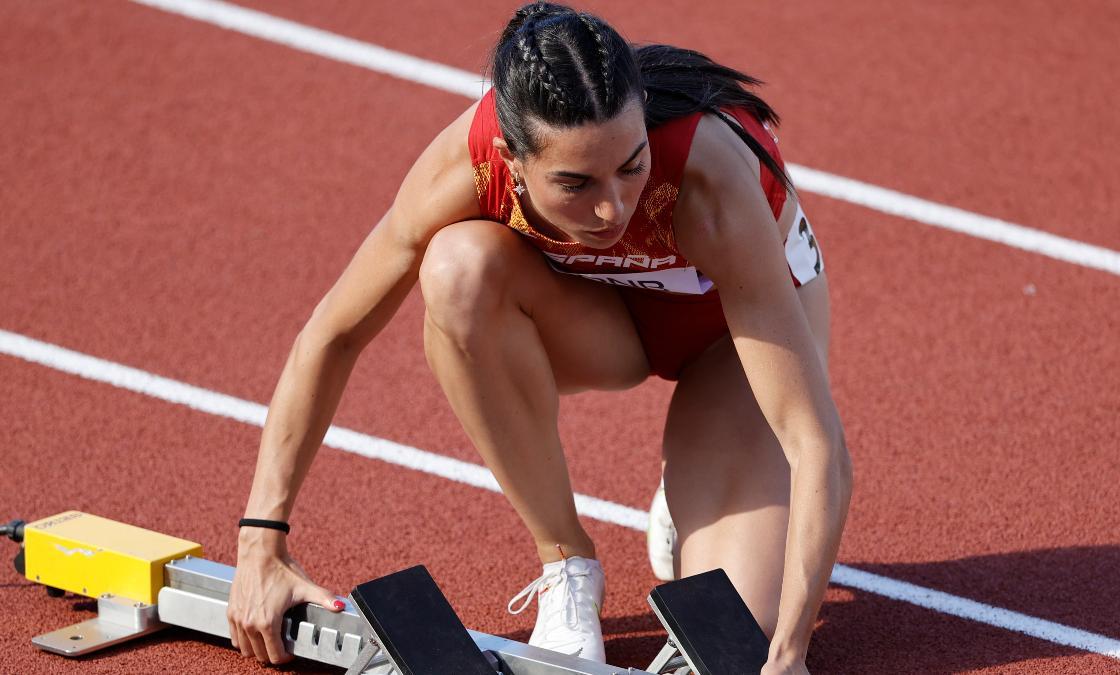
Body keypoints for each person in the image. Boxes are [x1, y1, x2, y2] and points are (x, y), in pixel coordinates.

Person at [226, 3, 852, 674]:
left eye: (632, 164)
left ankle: (693, 494)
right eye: (576, 183)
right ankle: (566, 563)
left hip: (729, 345)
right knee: (457, 268)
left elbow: (814, 440)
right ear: (511, 161)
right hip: (602, 326)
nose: (613, 207)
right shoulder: (465, 167)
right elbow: (333, 333)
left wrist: (790, 653)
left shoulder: (708, 178)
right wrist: (261, 541)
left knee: (734, 638)